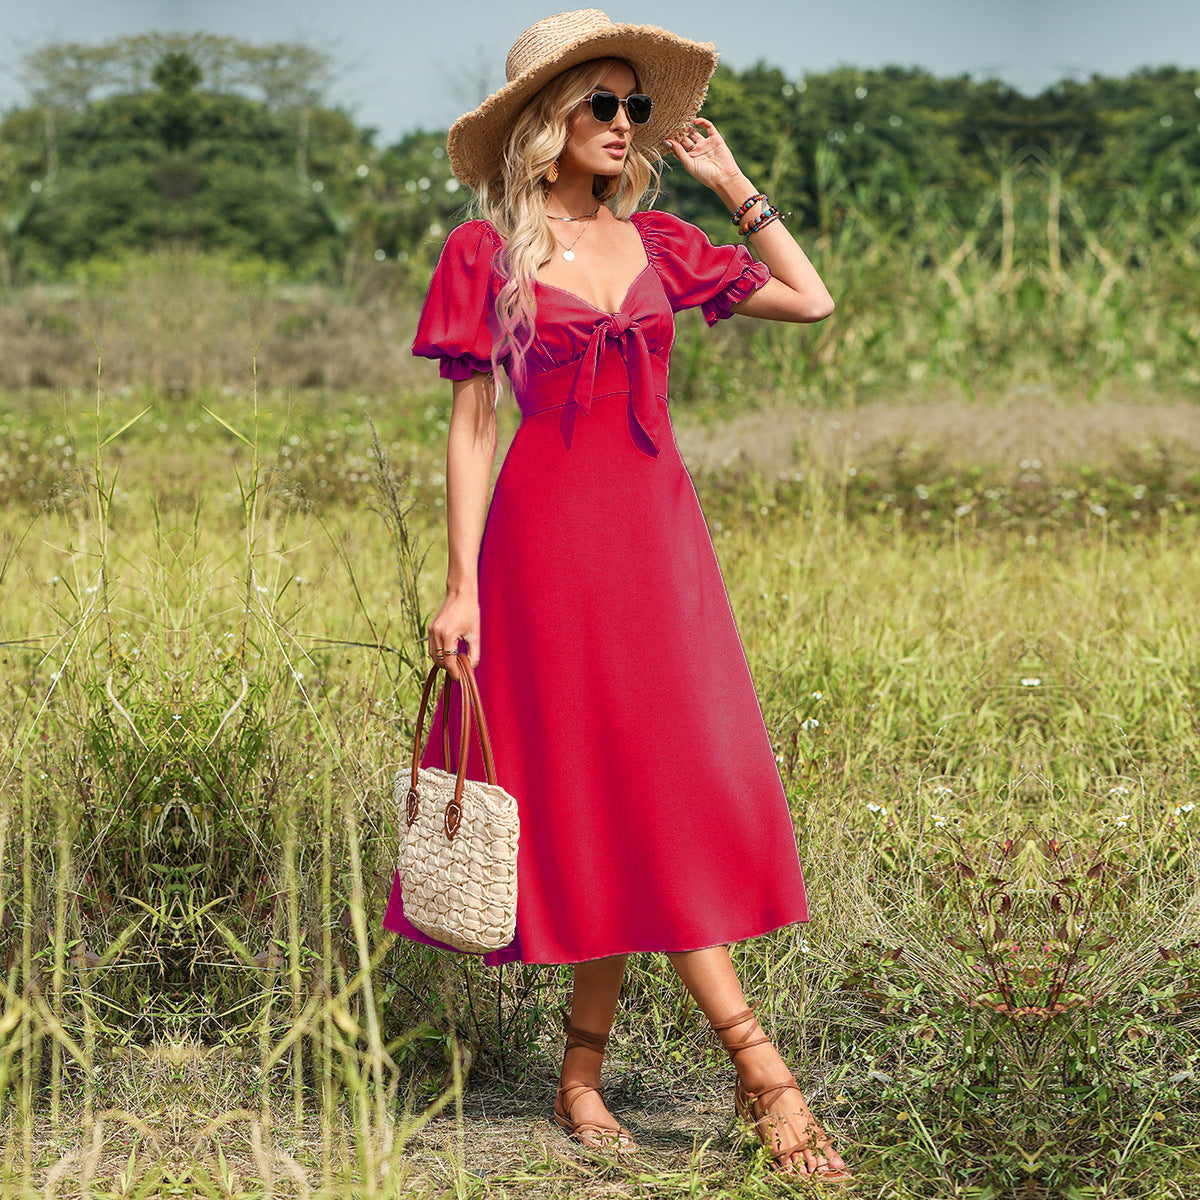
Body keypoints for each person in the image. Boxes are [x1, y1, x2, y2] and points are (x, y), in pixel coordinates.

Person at [384, 8, 850, 1183]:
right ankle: (763, 1075)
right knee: (612, 790)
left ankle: (581, 1072)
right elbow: (473, 427)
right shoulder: (486, 253)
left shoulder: (663, 241)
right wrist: (456, 585)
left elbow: (812, 301)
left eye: (636, 107)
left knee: (661, 787)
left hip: (659, 549)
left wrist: (737, 184)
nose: (625, 124)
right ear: (546, 123)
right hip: (544, 556)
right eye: (603, 103)